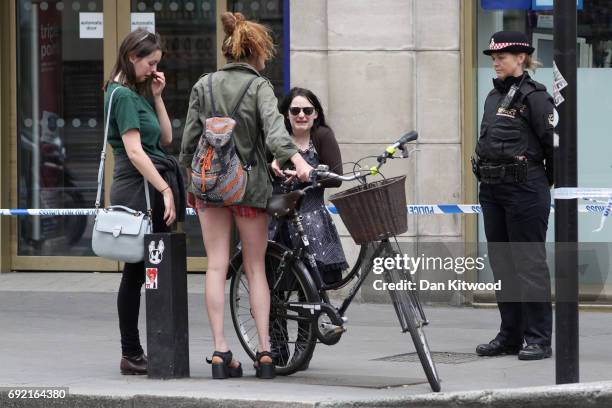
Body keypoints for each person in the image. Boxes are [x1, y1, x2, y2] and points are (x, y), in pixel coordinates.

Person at [179, 12, 313, 379]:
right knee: (255, 268)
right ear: (256, 52)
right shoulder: (259, 87)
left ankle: (220, 351)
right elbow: (275, 135)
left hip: (210, 187)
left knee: (217, 265)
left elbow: (189, 142)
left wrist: (192, 184)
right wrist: (299, 161)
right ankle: (266, 353)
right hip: (249, 188)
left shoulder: (203, 85)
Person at [103, 29, 185, 375]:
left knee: (146, 270)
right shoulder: (120, 95)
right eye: (150, 63)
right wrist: (165, 190)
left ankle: (142, 349)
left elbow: (165, 138)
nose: (154, 69)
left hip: (148, 183)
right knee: (136, 271)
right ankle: (131, 352)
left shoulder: (136, 95)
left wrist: (158, 96)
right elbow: (135, 152)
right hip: (137, 187)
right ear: (133, 56)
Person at [473, 31, 555, 360]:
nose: (495, 61)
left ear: (521, 58)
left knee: (528, 264)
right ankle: (510, 335)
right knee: (503, 265)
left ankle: (538, 339)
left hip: (525, 188)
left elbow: (554, 146)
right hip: (492, 189)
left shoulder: (535, 96)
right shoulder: (493, 97)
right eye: (492, 56)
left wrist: (540, 183)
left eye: (502, 56)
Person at [268, 88, 348, 371]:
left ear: (316, 114)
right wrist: (272, 167)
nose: (301, 115)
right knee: (274, 291)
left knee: (309, 292)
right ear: (286, 114)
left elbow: (336, 177)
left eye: (307, 111)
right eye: (295, 111)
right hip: (279, 222)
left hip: (313, 220)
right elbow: (261, 173)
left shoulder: (322, 136)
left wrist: (310, 174)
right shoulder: (276, 139)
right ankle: (276, 351)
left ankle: (303, 349)